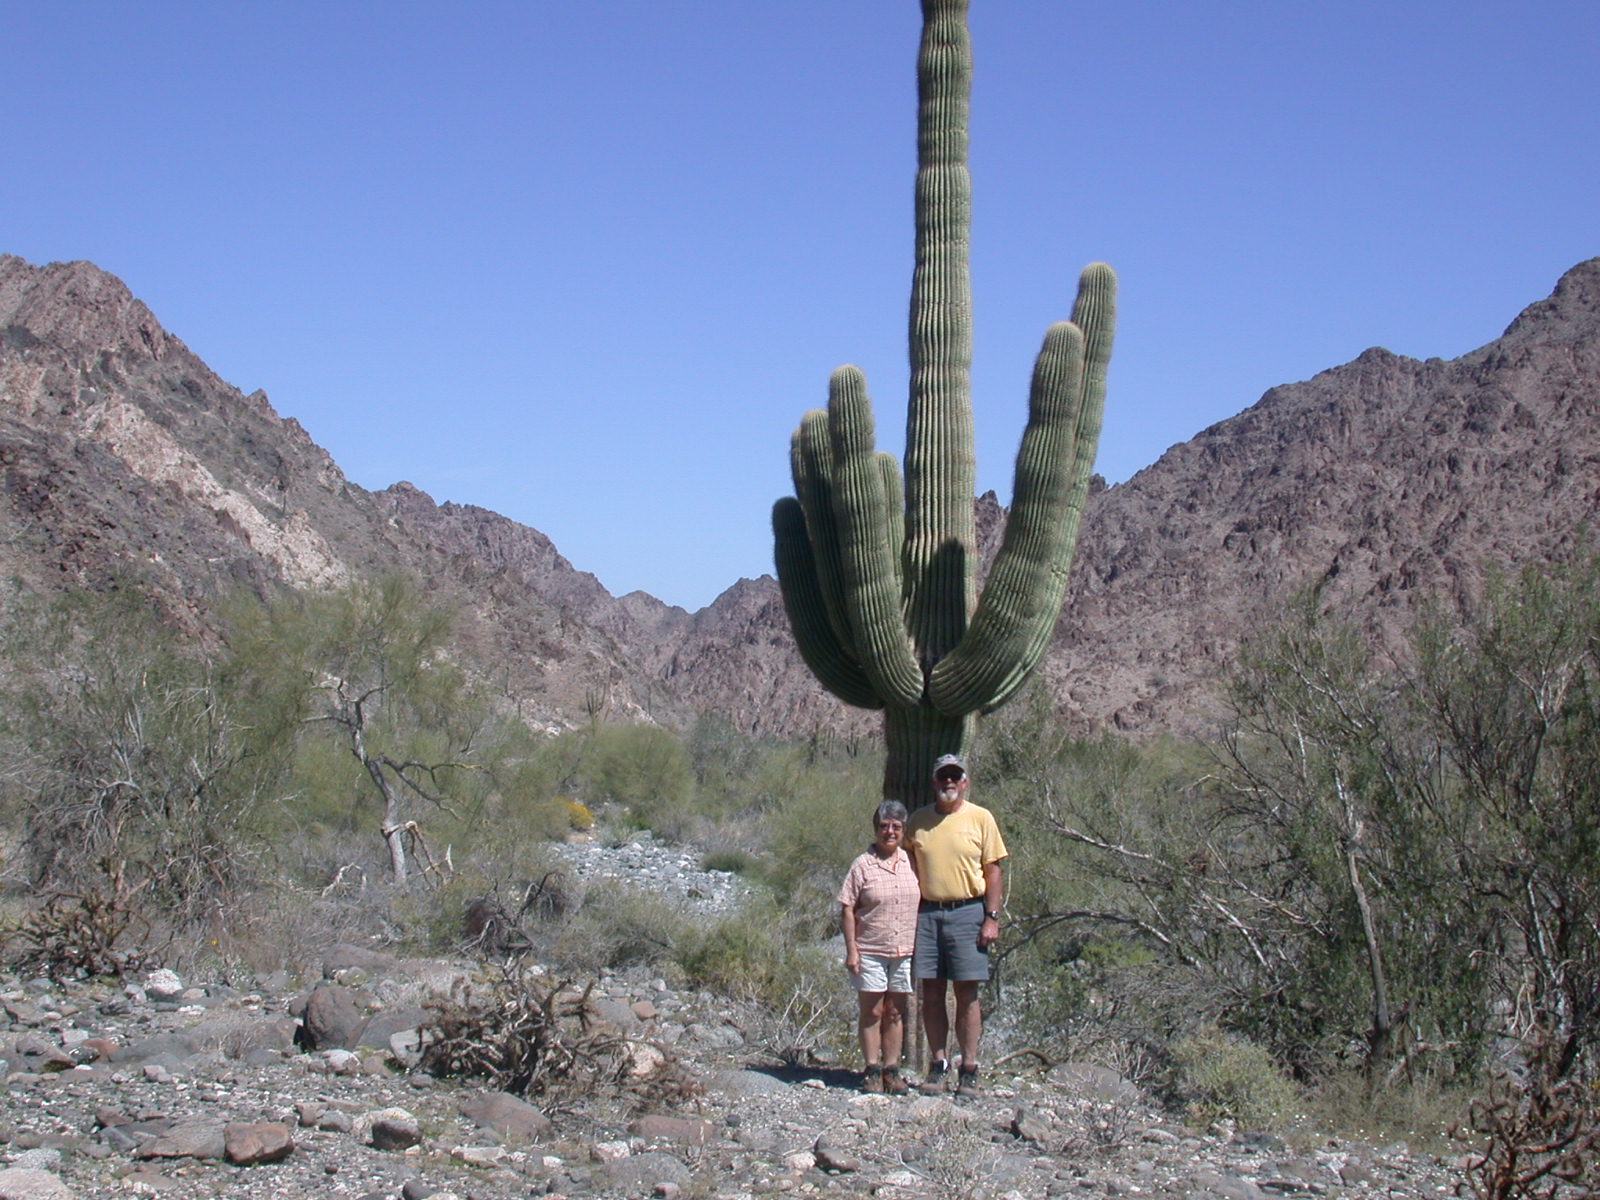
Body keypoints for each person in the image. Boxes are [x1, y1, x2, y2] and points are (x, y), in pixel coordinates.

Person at [905, 753, 1007, 1097]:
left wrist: (991, 917)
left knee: (967, 993)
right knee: (931, 992)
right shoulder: (917, 820)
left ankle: (970, 1067)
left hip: (969, 912)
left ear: (965, 781)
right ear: (935, 781)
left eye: (955, 776)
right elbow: (908, 867)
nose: (949, 782)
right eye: (943, 776)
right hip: (927, 913)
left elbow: (993, 870)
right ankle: (937, 1064)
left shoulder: (981, 818)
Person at [836, 799, 920, 1094]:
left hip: (904, 950)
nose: (890, 832)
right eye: (884, 826)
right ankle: (872, 1069)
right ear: (876, 829)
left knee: (896, 1012)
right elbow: (848, 908)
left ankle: (892, 1070)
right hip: (870, 949)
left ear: (903, 830)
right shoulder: (862, 865)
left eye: (896, 827)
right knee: (872, 1011)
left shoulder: (912, 861)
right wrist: (851, 950)